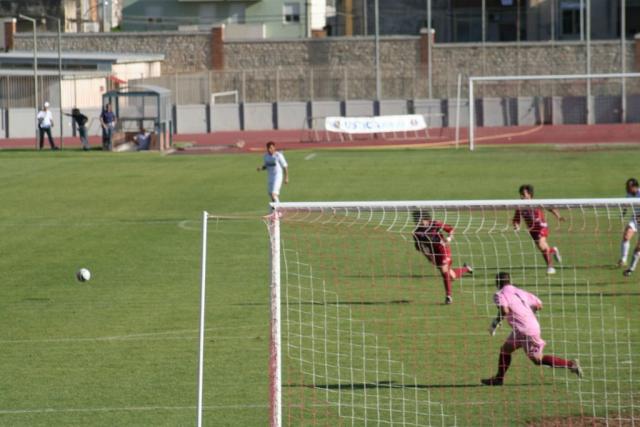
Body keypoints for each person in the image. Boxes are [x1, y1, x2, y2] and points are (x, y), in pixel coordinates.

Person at [481, 272, 583, 386]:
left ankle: (571, 364)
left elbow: (504, 310)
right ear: (509, 281)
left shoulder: (499, 294)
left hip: (525, 330)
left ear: (497, 282)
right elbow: (539, 305)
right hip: (524, 328)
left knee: (537, 359)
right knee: (505, 349)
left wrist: (495, 323)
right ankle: (499, 379)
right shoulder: (520, 291)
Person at [412, 210, 473, 305]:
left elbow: (450, 230)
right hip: (434, 254)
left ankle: (448, 297)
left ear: (426, 218)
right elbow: (420, 247)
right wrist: (428, 256)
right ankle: (466, 268)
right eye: (417, 220)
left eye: (421, 220)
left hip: (443, 249)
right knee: (451, 276)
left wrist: (449, 238)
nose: (420, 222)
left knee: (444, 271)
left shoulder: (435, 223)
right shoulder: (417, 232)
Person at [513, 184, 563, 274]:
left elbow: (550, 208)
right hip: (532, 230)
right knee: (542, 248)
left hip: (541, 226)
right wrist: (516, 226)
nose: (522, 196)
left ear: (530, 194)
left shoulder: (536, 203)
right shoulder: (520, 207)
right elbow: (516, 219)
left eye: (524, 194)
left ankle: (550, 267)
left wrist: (558, 216)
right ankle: (553, 250)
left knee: (541, 244)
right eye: (521, 194)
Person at [620, 178, 640, 276]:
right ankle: (623, 260)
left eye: (628, 187)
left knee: (638, 248)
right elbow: (626, 204)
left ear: (635, 187)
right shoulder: (629, 194)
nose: (626, 188)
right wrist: (623, 213)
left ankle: (631, 269)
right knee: (626, 236)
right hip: (635, 219)